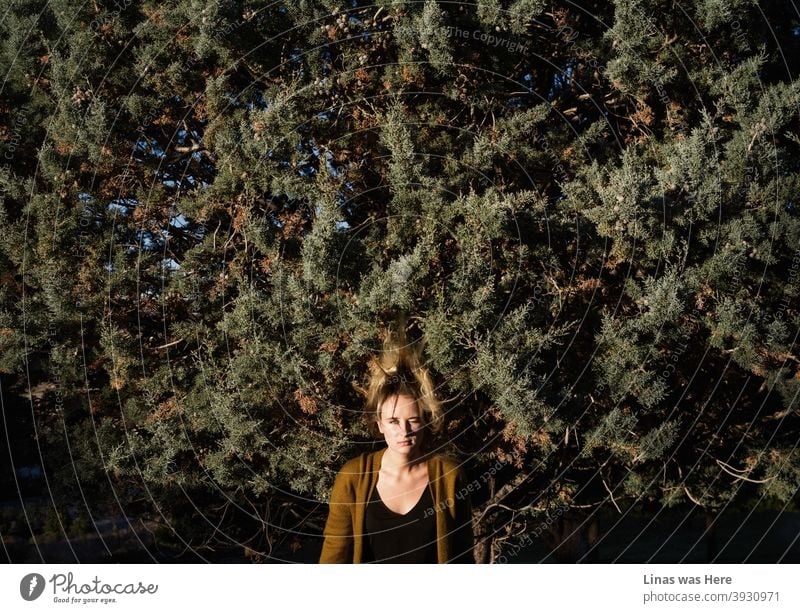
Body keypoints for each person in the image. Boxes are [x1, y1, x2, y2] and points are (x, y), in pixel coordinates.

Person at [319, 327, 474, 563]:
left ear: (424, 421)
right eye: (393, 421)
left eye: (412, 420)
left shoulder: (449, 476)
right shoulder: (352, 477)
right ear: (379, 423)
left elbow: (463, 555)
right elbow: (333, 556)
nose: (404, 431)